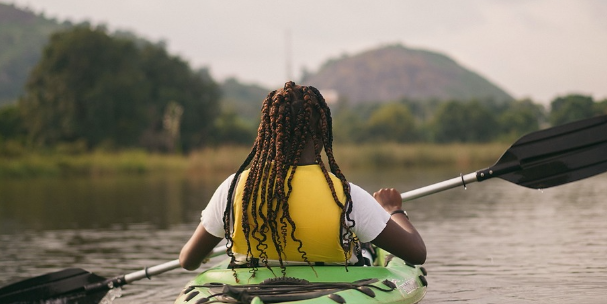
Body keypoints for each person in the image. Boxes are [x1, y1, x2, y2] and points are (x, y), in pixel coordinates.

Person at [179, 81, 426, 271]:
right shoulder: (346, 196)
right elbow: (417, 253)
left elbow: (188, 260)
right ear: (322, 131)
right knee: (364, 246)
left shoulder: (233, 188)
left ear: (268, 131)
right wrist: (393, 210)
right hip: (334, 294)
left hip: (248, 291)